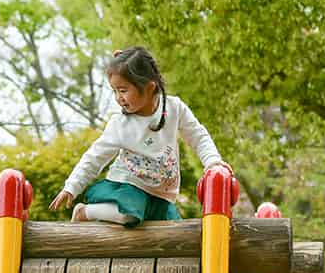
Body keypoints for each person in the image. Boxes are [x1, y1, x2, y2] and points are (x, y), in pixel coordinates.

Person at [50, 47, 227, 225]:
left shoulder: (174, 108)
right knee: (129, 215)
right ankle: (85, 212)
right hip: (129, 187)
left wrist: (213, 162)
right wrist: (71, 187)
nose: (118, 98)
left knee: (172, 229)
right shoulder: (120, 124)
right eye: (115, 91)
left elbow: (198, 136)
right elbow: (94, 158)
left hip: (160, 194)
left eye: (123, 90)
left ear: (149, 87)